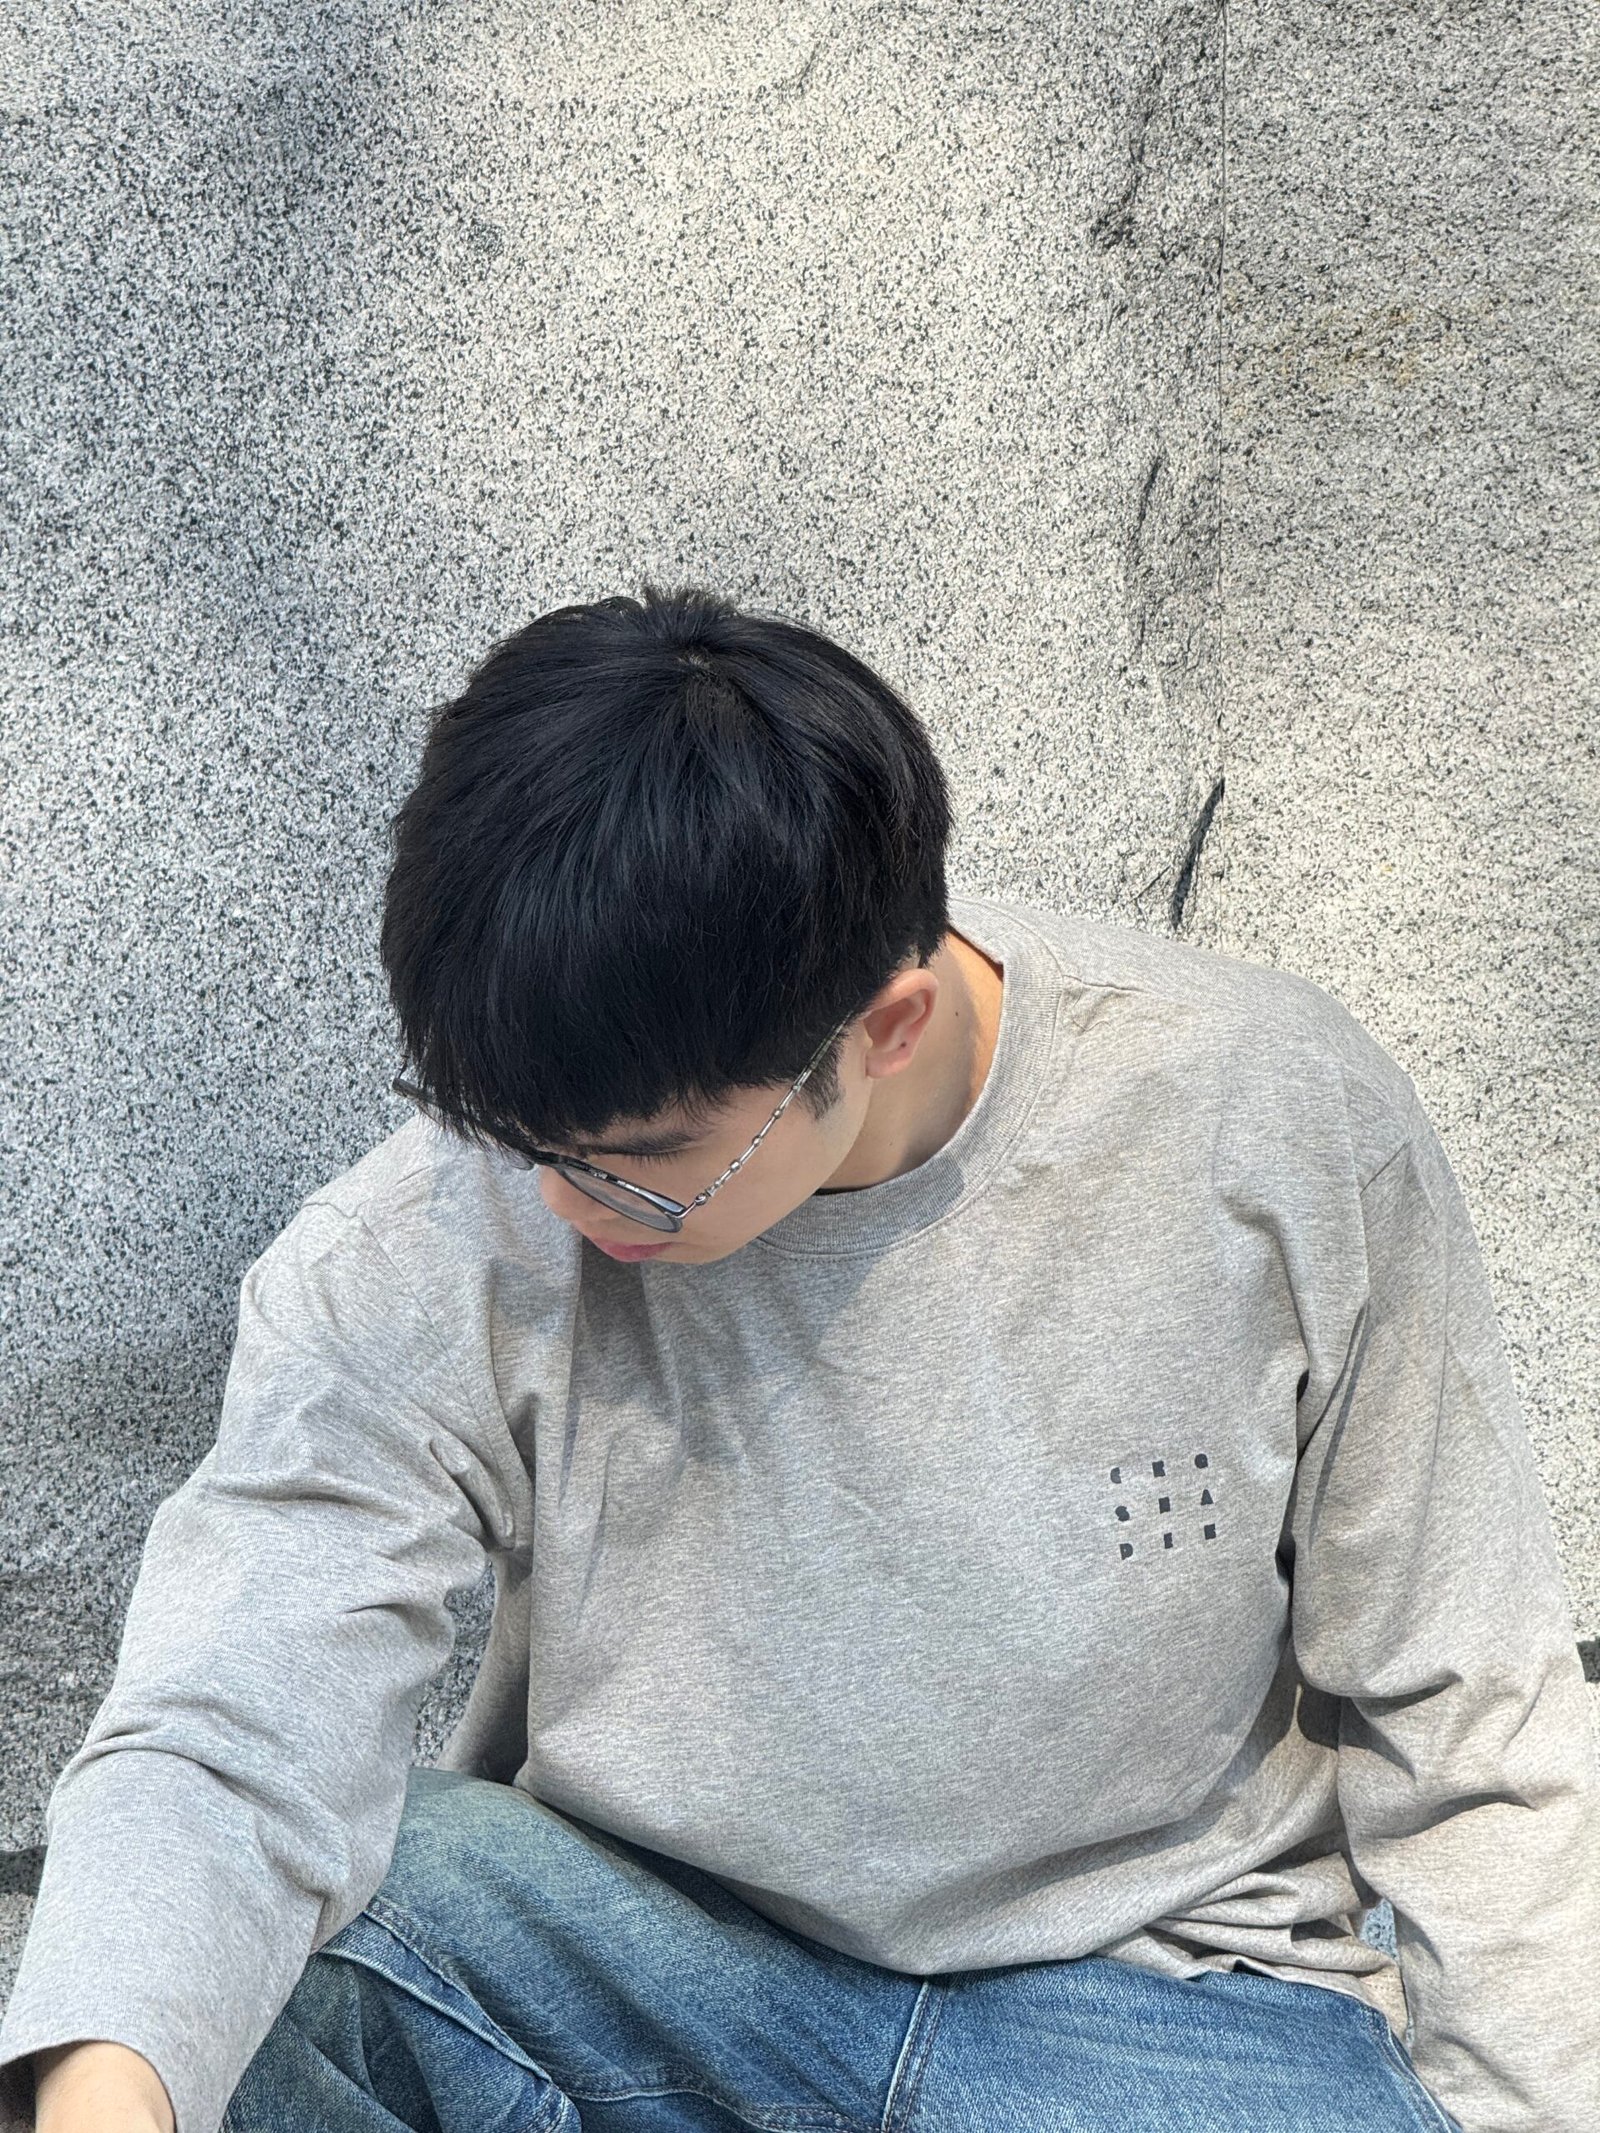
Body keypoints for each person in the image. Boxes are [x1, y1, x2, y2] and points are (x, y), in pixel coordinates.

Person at [4, 584, 1596, 2133]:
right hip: (668, 1975)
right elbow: (236, 1712)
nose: (561, 1202)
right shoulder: (445, 1226)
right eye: (521, 1140)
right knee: (289, 1947)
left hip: (1168, 2021)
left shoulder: (1271, 1126)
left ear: (885, 1027)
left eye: (639, 1162)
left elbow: (1471, 1710)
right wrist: (106, 2089)